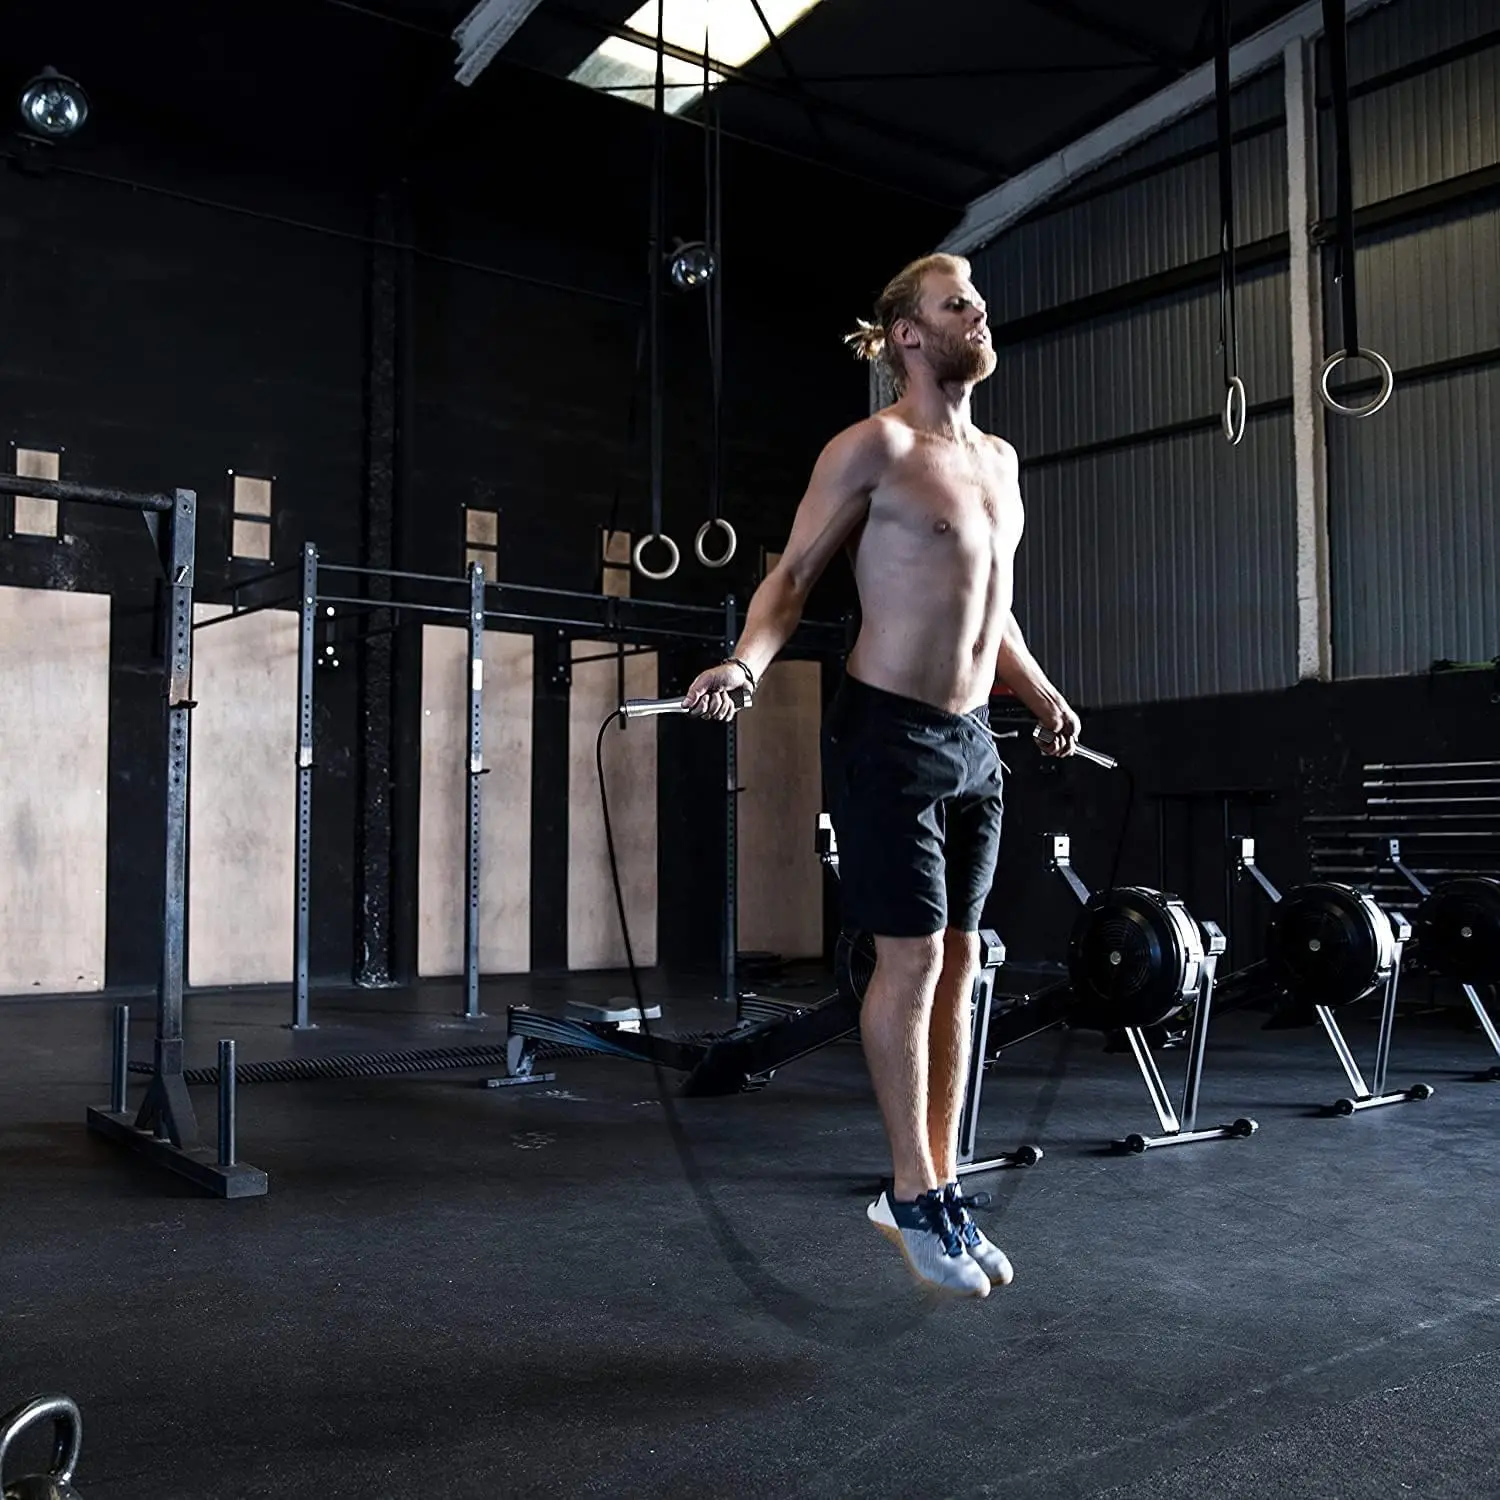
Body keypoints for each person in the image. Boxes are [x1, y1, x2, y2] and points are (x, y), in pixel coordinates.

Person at [684, 253, 1081, 1299]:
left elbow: (991, 607)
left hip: (974, 743)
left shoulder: (998, 460)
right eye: (959, 303)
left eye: (980, 300)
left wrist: (1037, 693)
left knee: (959, 962)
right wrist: (743, 663)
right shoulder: (873, 448)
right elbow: (793, 576)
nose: (979, 312)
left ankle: (937, 1182)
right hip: (890, 736)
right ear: (909, 333)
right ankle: (910, 1194)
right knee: (906, 964)